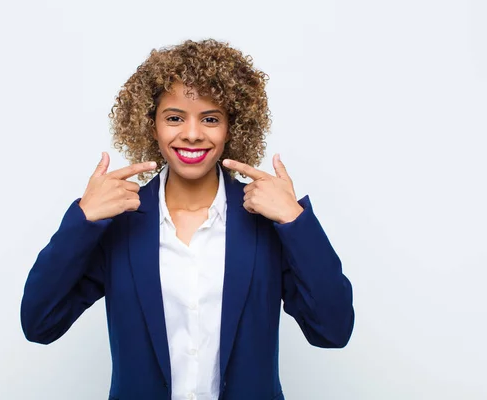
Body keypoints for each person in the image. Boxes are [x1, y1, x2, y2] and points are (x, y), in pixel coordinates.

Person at [20, 38, 354, 400]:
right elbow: (40, 323)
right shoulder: (120, 222)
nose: (192, 134)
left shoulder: (266, 223)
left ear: (232, 128)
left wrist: (294, 219)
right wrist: (82, 220)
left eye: (210, 119)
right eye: (175, 117)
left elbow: (333, 331)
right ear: (152, 126)